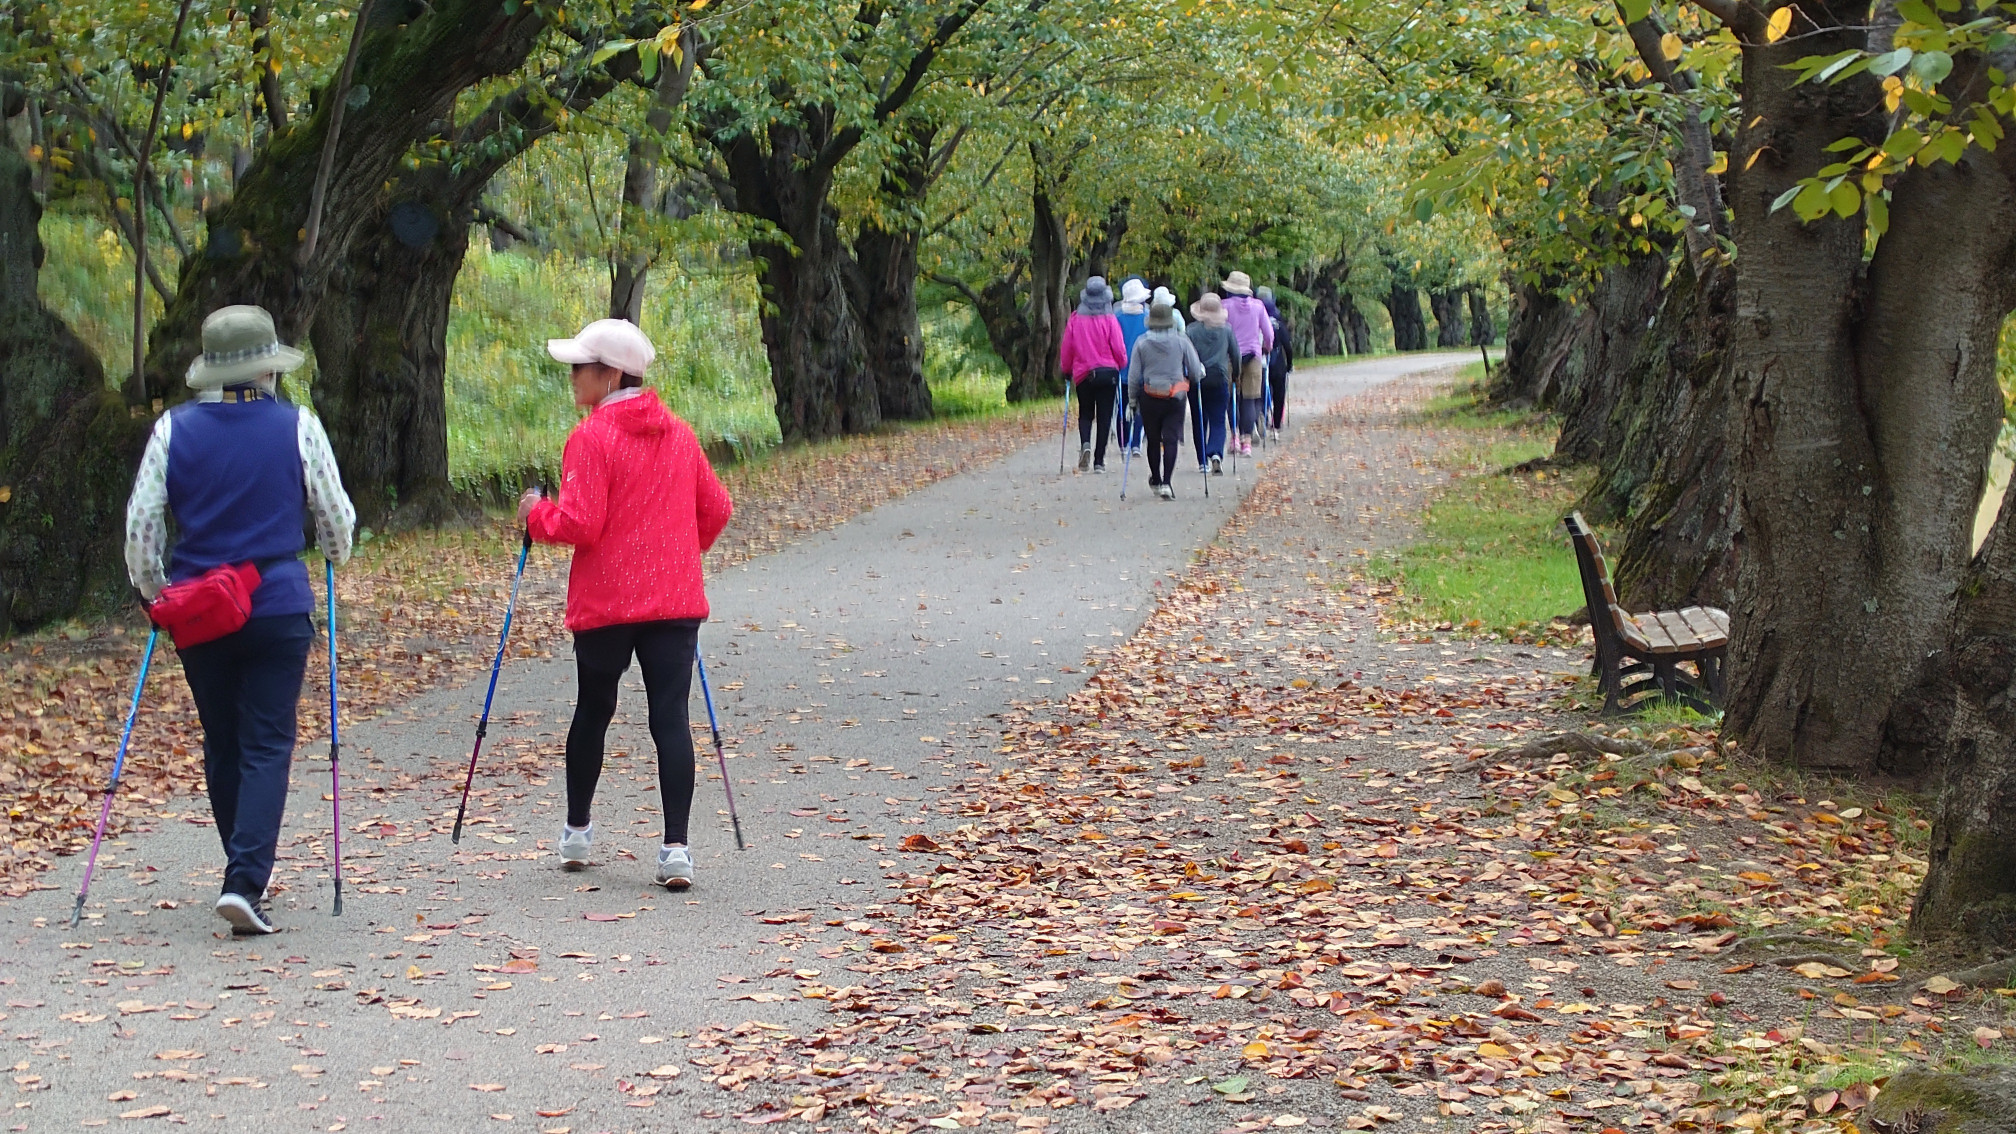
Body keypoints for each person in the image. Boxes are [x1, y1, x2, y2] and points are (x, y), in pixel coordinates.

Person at [125, 305, 357, 936]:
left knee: (223, 740)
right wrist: (335, 553)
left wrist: (154, 593)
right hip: (278, 603)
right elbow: (336, 518)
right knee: (267, 742)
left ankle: (242, 868)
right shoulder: (297, 426)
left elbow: (143, 527)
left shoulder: (172, 430)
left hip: (200, 613)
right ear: (269, 368)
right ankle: (245, 879)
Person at [517, 318, 733, 890]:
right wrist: (679, 552)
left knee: (593, 710)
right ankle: (676, 849)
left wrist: (535, 515)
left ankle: (577, 833)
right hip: (673, 604)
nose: (572, 377)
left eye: (579, 368)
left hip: (607, 604)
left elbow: (580, 524)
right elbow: (717, 509)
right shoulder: (681, 436)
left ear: (610, 374)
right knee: (671, 719)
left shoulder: (590, 437)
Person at [1126, 300, 1205, 500]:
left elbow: (1134, 376)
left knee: (1153, 439)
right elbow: (1195, 371)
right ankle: (1167, 483)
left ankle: (1157, 478)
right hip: (1175, 396)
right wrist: (1193, 379)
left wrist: (1132, 400)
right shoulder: (1182, 341)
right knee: (1170, 438)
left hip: (1150, 396)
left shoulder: (1142, 343)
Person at [1058, 276, 1128, 473]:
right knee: (1105, 416)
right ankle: (1099, 460)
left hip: (1084, 373)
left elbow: (1067, 348)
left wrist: (1066, 369)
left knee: (1086, 413)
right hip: (1108, 372)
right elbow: (1118, 347)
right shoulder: (1110, 319)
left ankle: (1086, 443)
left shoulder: (1075, 319)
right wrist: (1122, 363)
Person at [1220, 271, 1274, 456]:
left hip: (1229, 357)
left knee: (1230, 397)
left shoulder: (1224, 306)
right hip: (1253, 355)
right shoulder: (1259, 306)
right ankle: (1247, 441)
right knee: (1249, 399)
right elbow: (1268, 333)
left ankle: (1234, 437)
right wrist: (1267, 347)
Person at [1187, 292, 1240, 475]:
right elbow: (1235, 355)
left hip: (1197, 379)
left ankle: (1203, 461)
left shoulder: (1191, 331)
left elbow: (1187, 356)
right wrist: (1236, 375)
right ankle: (1216, 452)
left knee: (1199, 420)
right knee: (1218, 420)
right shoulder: (1227, 330)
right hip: (1219, 378)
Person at [1114, 277, 1152, 456]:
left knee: (1122, 406)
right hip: (1143, 370)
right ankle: (1136, 442)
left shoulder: (1116, 318)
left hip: (1121, 369)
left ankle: (1123, 442)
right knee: (1141, 407)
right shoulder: (1147, 319)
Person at [1258, 285, 1294, 430]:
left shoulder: (1255, 317)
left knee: (1259, 391)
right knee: (1279, 393)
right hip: (1277, 362)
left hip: (1259, 359)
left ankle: (1259, 416)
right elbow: (1288, 346)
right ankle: (1276, 422)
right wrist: (1289, 365)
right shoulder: (1278, 322)